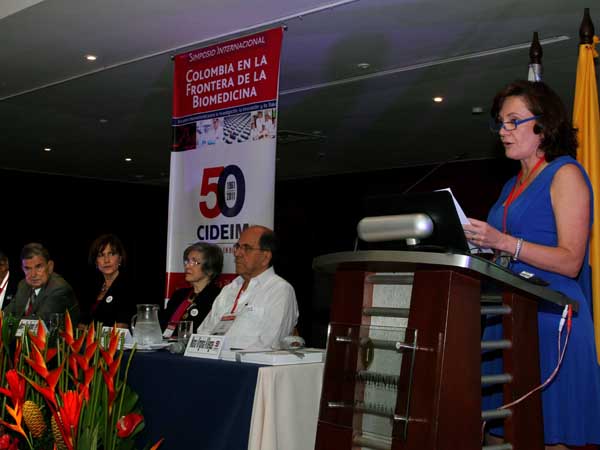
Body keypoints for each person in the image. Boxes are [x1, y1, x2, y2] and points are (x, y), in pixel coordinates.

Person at [464, 80, 600, 448]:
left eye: (513, 121)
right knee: (497, 432)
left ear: (544, 125)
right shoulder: (511, 185)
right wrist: (478, 247)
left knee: (549, 434)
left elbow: (571, 261)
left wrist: (502, 241)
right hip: (506, 313)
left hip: (549, 316)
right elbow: (504, 251)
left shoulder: (566, 174)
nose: (503, 130)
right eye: (500, 122)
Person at [197, 225, 299, 350]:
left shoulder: (280, 290)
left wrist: (222, 351)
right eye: (237, 247)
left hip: (247, 362)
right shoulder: (229, 289)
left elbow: (271, 345)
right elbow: (202, 333)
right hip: (212, 359)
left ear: (265, 257)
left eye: (247, 248)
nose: (237, 253)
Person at [160, 242, 223, 338]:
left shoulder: (218, 297)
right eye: (187, 261)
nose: (187, 266)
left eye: (194, 262)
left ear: (210, 269)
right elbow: (161, 325)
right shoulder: (179, 295)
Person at [4, 243, 79, 324]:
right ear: (22, 269)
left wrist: (9, 322)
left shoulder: (59, 288)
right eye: (27, 268)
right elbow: (5, 314)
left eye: (38, 267)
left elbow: (37, 323)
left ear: (50, 267)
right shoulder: (23, 285)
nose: (33, 274)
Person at [82, 234, 135, 329]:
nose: (106, 260)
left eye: (111, 254)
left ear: (120, 258)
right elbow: (82, 324)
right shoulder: (91, 287)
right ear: (96, 262)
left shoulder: (128, 287)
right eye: (101, 255)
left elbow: (122, 326)